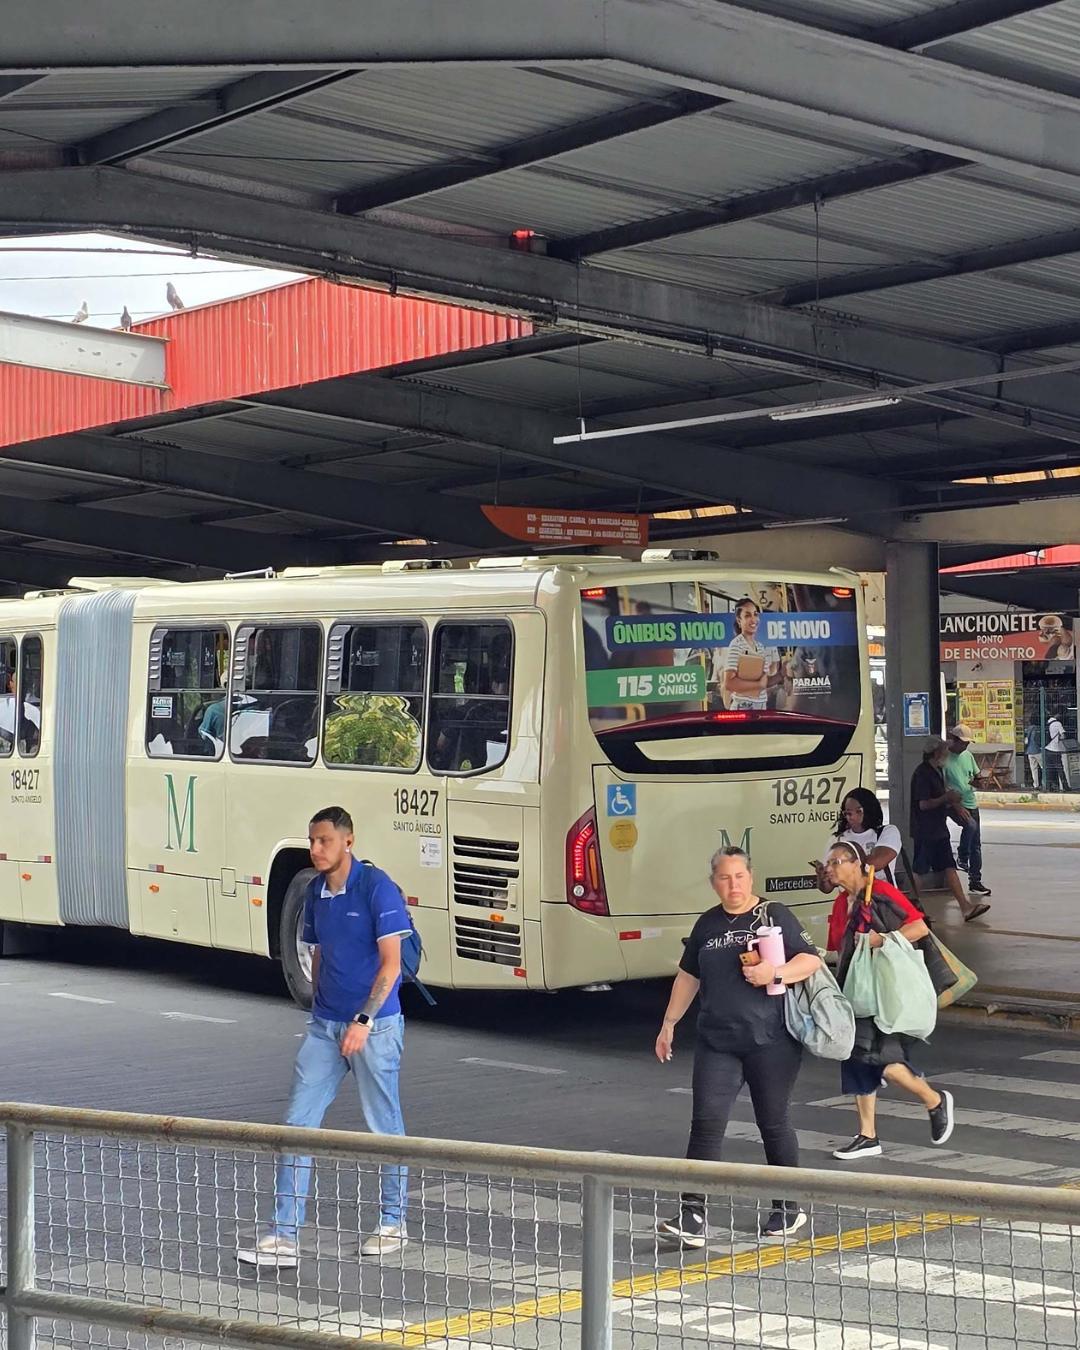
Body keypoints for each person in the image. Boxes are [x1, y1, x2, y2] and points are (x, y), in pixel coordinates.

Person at [238, 807, 412, 1268]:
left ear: (348, 841)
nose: (315, 849)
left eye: (324, 841)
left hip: (374, 1027)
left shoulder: (377, 889)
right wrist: (322, 1010)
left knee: (383, 1126)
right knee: (297, 1124)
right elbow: (315, 951)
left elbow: (391, 965)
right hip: (325, 1024)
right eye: (312, 841)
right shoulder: (315, 893)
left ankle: (394, 1222)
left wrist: (363, 1020)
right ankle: (284, 1236)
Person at [654, 846, 823, 1247]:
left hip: (772, 1040)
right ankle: (692, 1214)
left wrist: (774, 971)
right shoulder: (707, 925)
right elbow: (687, 977)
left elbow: (811, 961)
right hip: (717, 1040)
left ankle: (788, 1207)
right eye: (725, 878)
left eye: (740, 877)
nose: (734, 885)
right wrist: (669, 1024)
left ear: (752, 877)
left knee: (773, 1123)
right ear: (713, 881)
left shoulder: (773, 915)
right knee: (706, 1124)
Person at [824, 841, 956, 1162]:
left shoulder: (881, 892)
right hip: (855, 993)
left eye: (836, 861)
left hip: (884, 994)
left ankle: (935, 1100)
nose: (829, 868)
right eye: (828, 863)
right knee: (857, 1060)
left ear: (856, 864)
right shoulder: (842, 904)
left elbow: (918, 927)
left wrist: (880, 939)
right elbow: (838, 950)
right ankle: (867, 1135)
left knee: (888, 1064)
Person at [812, 787, 904, 950]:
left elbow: (878, 862)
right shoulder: (838, 838)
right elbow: (826, 888)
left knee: (887, 949)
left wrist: (843, 866)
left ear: (869, 810)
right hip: (849, 906)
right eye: (847, 813)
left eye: (857, 811)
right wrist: (823, 876)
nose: (851, 816)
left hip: (883, 902)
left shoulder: (886, 832)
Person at [909, 738, 988, 922]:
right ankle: (908, 909)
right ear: (936, 753)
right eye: (944, 751)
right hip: (926, 830)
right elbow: (923, 804)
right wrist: (945, 798)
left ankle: (965, 907)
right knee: (919, 870)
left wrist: (953, 803)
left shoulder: (937, 771)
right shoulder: (923, 773)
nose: (947, 754)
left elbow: (944, 796)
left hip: (938, 829)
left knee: (949, 867)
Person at [944, 724, 990, 898]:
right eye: (962, 743)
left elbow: (976, 777)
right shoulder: (945, 758)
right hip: (954, 804)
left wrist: (979, 782)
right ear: (953, 739)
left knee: (976, 844)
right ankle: (962, 857)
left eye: (967, 743)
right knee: (969, 826)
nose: (965, 746)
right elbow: (941, 784)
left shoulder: (968, 756)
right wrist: (955, 805)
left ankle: (975, 880)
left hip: (971, 801)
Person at [718, 598, 780, 711]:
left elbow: (764, 683)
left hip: (761, 706)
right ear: (739, 621)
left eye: (755, 614)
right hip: (743, 707)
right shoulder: (736, 645)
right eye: (747, 616)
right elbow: (729, 683)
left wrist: (781, 674)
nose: (753, 619)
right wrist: (758, 685)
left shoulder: (760, 647)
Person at [1046, 714, 1072, 792]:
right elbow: (1063, 736)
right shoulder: (1058, 724)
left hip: (1047, 749)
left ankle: (1049, 786)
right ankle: (1065, 786)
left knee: (1049, 769)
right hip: (1055, 749)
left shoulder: (1047, 723)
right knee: (1060, 769)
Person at [1024, 718, 1043, 790]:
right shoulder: (1038, 729)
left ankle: (1036, 785)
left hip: (1029, 751)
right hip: (1038, 751)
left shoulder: (1028, 729)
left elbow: (1025, 741)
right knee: (1043, 767)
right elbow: (1039, 740)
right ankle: (1045, 783)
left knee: (1033, 769)